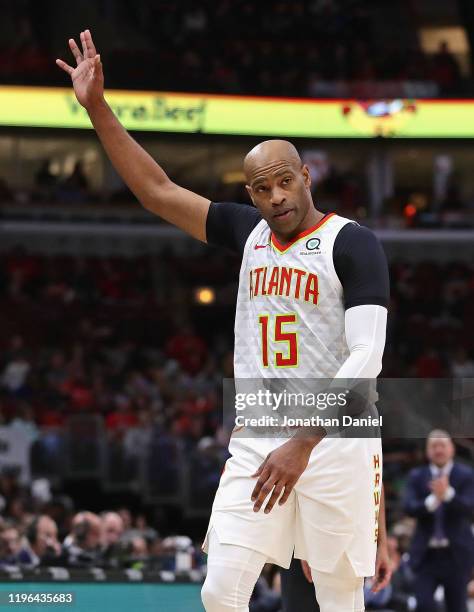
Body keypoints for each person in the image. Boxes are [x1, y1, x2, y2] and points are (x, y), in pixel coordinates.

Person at [57, 30, 389, 611]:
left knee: (338, 598)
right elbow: (158, 191)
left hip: (334, 440)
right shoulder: (245, 232)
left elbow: (367, 357)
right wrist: (98, 109)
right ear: (251, 195)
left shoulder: (353, 244)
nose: (277, 196)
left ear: (307, 175)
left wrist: (304, 443)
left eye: (286, 180)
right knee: (220, 590)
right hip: (260, 432)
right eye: (263, 188)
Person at [280, 487, 392, 611]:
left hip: (351, 540)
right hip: (306, 537)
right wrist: (303, 540)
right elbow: (299, 482)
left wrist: (382, 545)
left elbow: (376, 478)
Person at [404, 429, 474, 612]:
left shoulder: (466, 475)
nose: (438, 450)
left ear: (452, 449)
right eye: (434, 446)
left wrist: (448, 495)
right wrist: (432, 501)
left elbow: (470, 508)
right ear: (428, 451)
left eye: (442, 445)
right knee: (424, 604)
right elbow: (408, 507)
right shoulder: (417, 476)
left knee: (457, 606)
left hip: (457, 555)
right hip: (426, 555)